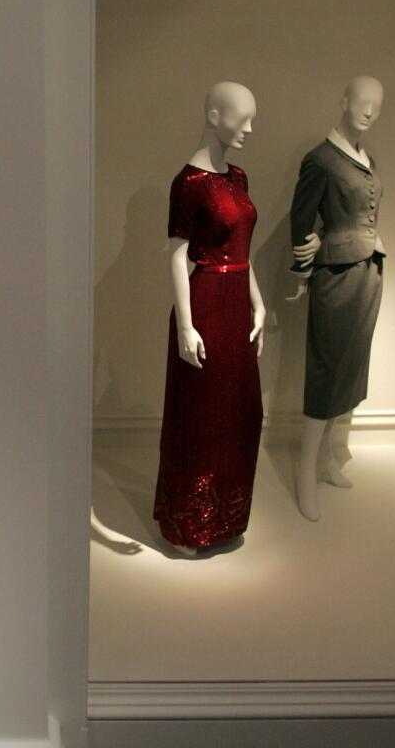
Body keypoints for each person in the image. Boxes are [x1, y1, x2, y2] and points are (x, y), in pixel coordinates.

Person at [153, 82, 265, 556]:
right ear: (214, 114)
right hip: (206, 302)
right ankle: (189, 525)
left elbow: (244, 250)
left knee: (241, 412)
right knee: (201, 415)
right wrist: (185, 323)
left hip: (238, 302)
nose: (249, 128)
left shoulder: (237, 177)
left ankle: (225, 518)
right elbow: (177, 254)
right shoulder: (189, 183)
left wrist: (258, 303)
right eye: (242, 117)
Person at [286, 76, 386, 522]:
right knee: (326, 368)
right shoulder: (321, 160)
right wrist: (302, 272)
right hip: (336, 276)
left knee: (351, 365)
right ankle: (306, 471)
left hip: (370, 273)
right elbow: (301, 219)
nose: (369, 111)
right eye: (362, 102)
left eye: (377, 106)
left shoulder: (368, 158)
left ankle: (327, 460)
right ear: (343, 101)